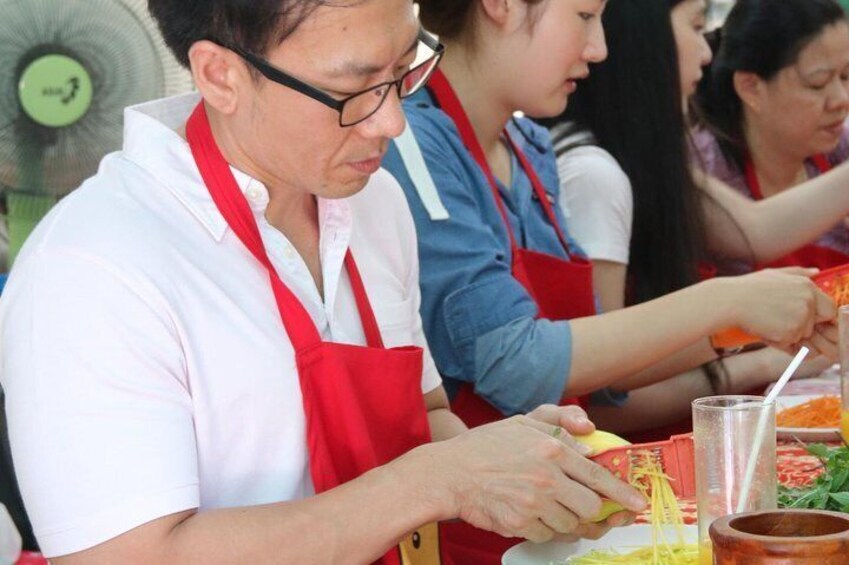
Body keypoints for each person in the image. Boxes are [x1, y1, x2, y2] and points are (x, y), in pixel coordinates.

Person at [0, 1, 655, 563]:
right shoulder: (94, 266)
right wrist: (434, 482)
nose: (392, 122)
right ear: (220, 75)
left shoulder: (374, 203)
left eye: (405, 70)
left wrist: (506, 459)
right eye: (355, 89)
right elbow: (130, 556)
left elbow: (422, 418)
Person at [381, 0, 837, 561]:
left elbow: (595, 370)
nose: (598, 48)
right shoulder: (416, 149)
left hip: (560, 525)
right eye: (582, 16)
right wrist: (727, 303)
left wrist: (750, 326)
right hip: (477, 535)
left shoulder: (530, 150)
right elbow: (519, 364)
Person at [540, 0, 849, 434]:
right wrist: (755, 346)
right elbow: (601, 392)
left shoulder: (651, 163)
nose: (708, 52)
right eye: (696, 26)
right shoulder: (596, 173)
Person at [693, 0, 849, 274]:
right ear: (751, 88)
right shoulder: (703, 167)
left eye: (847, 76)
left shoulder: (840, 151)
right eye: (818, 83)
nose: (841, 100)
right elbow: (756, 234)